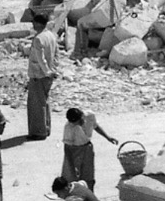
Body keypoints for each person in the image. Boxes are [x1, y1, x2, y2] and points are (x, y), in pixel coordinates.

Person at [26, 10, 60, 140]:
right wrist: (53, 70)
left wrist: (46, 72)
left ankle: (38, 132)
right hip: (48, 75)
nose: (33, 25)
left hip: (38, 75)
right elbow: (57, 54)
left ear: (38, 23)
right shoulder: (51, 35)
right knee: (44, 102)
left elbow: (41, 59)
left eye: (34, 22)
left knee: (36, 104)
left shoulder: (39, 38)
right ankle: (46, 128)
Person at [61, 106, 113, 189]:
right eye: (75, 124)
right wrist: (71, 164)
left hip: (87, 148)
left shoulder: (90, 116)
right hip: (74, 150)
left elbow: (95, 126)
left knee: (88, 175)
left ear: (82, 116)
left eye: (78, 121)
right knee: (73, 177)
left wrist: (108, 137)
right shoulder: (68, 127)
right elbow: (67, 146)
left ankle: (89, 194)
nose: (77, 124)